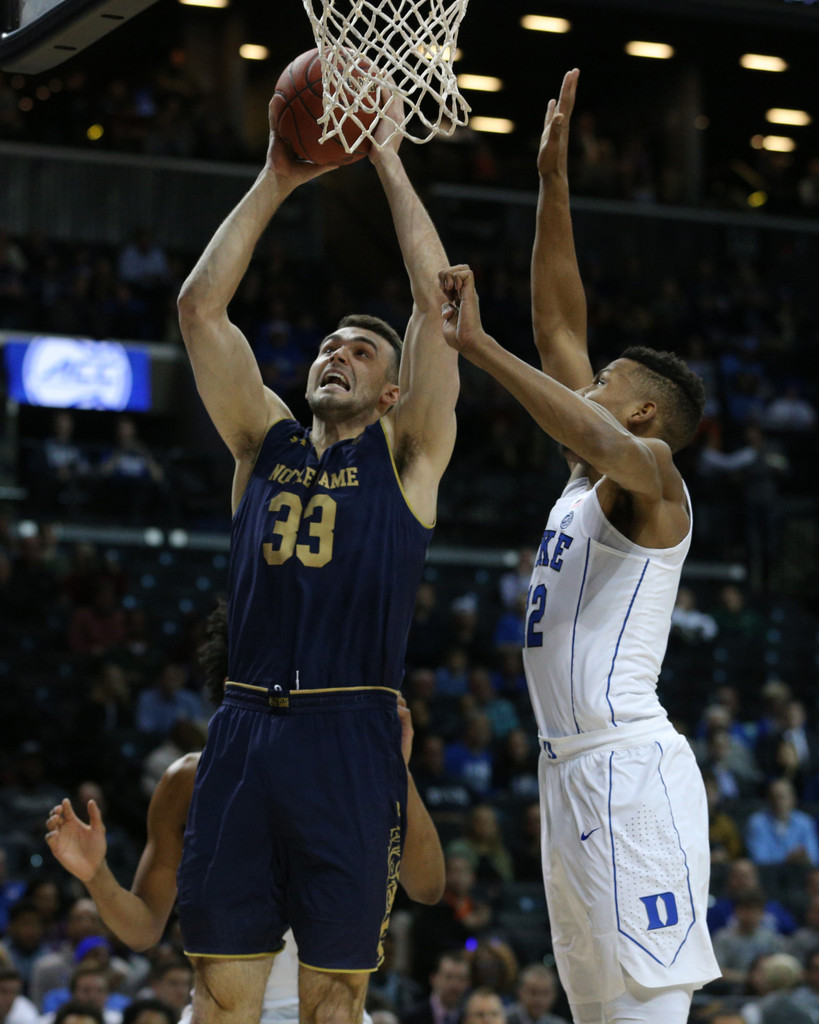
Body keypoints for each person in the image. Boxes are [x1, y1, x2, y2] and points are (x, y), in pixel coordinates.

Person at [437, 69, 720, 1024]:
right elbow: (557, 321)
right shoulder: (581, 478)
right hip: (567, 773)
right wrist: (552, 180)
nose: (583, 386)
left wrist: (475, 350)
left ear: (643, 411)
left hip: (629, 770)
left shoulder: (654, 479)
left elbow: (594, 429)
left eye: (600, 380)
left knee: (644, 1012)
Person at [172, 78, 458, 1024]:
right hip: (248, 725)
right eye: (329, 343)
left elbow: (437, 305)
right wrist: (276, 176)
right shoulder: (263, 442)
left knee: (334, 1001)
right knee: (220, 994)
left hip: (348, 734)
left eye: (362, 352)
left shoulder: (407, 455)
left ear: (390, 392)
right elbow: (200, 313)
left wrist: (384, 154)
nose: (336, 352)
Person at [45, 602, 446, 1024]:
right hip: (221, 1009)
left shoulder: (355, 771)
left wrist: (396, 772)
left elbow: (427, 887)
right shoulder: (189, 779)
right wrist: (96, 874)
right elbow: (144, 928)